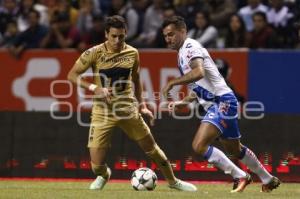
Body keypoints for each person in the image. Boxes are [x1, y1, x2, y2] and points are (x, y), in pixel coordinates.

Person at [67, 15, 197, 192]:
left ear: (126, 34)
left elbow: (136, 79)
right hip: (103, 111)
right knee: (96, 165)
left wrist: (142, 105)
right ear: (106, 34)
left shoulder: (133, 53)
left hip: (127, 109)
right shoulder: (93, 53)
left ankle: (173, 181)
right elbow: (71, 75)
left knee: (152, 149)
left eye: (121, 36)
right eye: (113, 36)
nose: (117, 40)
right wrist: (94, 88)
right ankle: (104, 174)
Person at [161, 16, 280, 193]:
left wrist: (173, 82)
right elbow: (198, 86)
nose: (168, 39)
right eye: (165, 36)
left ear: (183, 31)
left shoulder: (190, 46)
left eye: (171, 34)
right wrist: (183, 102)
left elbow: (199, 72)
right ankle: (268, 179)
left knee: (199, 145)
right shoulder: (181, 54)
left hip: (222, 101)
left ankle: (240, 175)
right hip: (220, 102)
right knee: (235, 150)